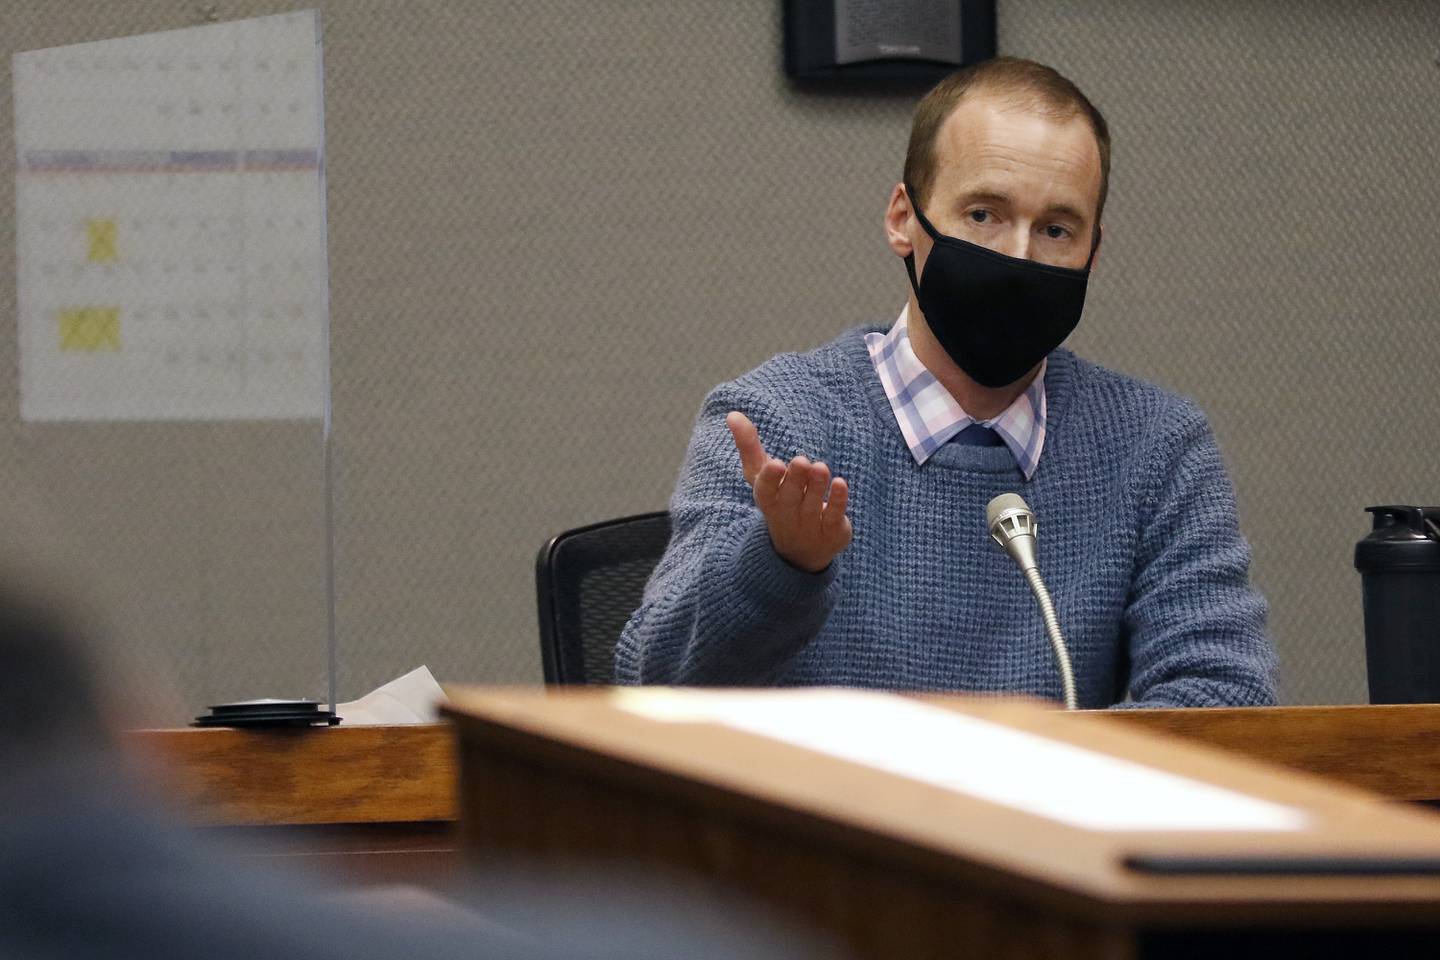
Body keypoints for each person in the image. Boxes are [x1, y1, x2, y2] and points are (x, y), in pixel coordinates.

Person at [615, 57, 1278, 708]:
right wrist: (781, 562)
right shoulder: (779, 423)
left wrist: (1033, 790)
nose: (1018, 258)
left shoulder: (1155, 447)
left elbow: (1225, 695)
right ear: (904, 219)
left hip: (1042, 816)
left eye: (1055, 229)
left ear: (1093, 253)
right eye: (984, 214)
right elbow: (652, 681)